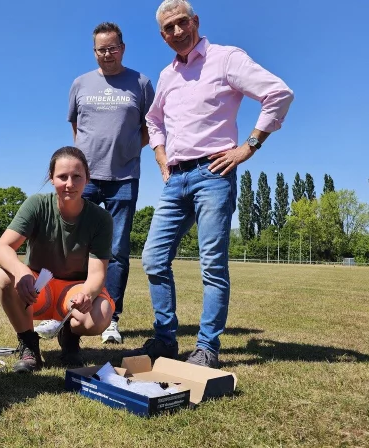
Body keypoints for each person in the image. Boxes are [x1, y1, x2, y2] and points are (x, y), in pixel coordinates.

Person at [122, 0, 294, 368]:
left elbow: (278, 93)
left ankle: (207, 348)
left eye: (181, 23)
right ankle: (166, 340)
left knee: (212, 264)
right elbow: (154, 121)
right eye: (167, 28)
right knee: (153, 259)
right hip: (176, 179)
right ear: (162, 35)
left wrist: (249, 146)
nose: (176, 32)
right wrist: (160, 156)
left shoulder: (226, 58)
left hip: (214, 175)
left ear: (195, 21)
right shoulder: (167, 76)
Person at [35, 22, 155, 345]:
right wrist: (84, 164)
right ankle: (55, 312)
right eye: (101, 49)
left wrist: (128, 149)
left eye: (112, 48)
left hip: (125, 177)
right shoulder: (80, 84)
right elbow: (77, 126)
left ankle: (111, 318)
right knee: (65, 242)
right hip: (84, 178)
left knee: (116, 249)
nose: (107, 54)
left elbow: (151, 127)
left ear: (123, 48)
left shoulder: (141, 83)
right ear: (94, 52)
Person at [0, 147, 115, 372]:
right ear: (51, 179)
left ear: (87, 178)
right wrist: (22, 272)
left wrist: (86, 294)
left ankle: (69, 336)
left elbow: (98, 273)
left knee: (100, 316)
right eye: (62, 177)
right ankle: (29, 345)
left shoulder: (101, 218)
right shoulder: (37, 205)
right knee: (4, 276)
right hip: (38, 288)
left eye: (77, 176)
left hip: (75, 290)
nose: (70, 183)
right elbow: (2, 248)